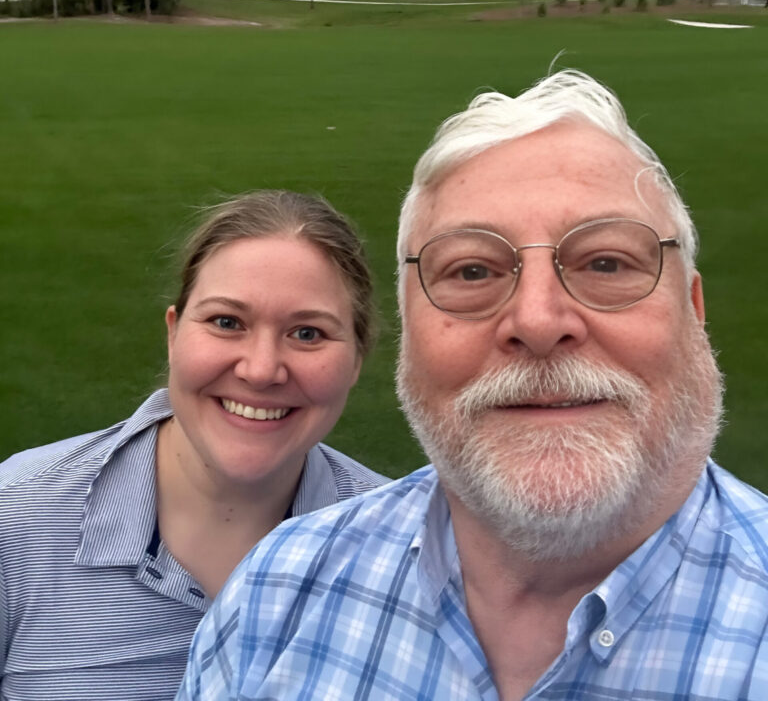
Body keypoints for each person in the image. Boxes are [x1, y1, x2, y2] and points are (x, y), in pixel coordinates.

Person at [178, 71, 768, 701]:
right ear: (409, 326)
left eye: (606, 262)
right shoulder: (276, 592)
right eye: (471, 270)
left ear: (693, 309)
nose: (539, 321)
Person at [0, 190, 387, 701]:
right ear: (173, 333)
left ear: (357, 359)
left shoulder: (407, 547)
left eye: (308, 333)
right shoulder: (17, 519)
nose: (261, 369)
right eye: (227, 322)